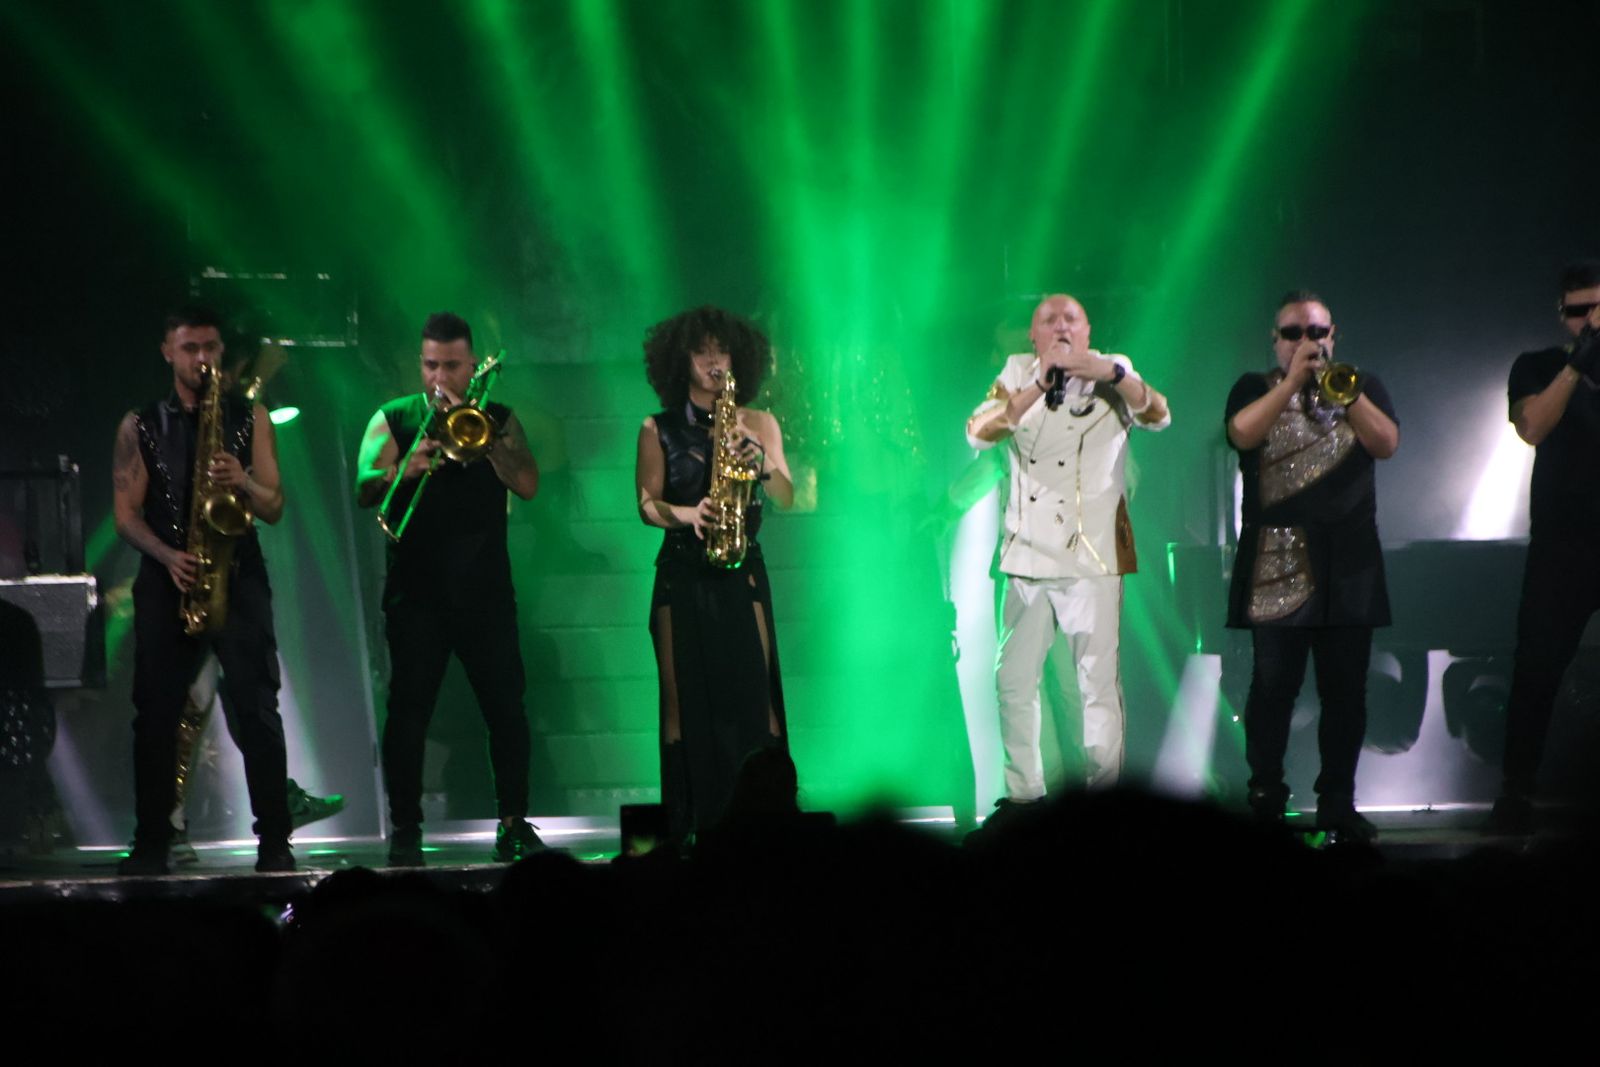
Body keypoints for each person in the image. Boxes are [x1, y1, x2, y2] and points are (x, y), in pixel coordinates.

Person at [964, 294, 1170, 823]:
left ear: (1087, 330)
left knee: (1095, 683)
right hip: (1027, 553)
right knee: (1013, 680)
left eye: (1070, 319)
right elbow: (979, 432)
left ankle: (1105, 802)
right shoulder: (1015, 373)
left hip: (1093, 552)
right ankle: (1024, 796)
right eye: (1048, 321)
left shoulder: (1115, 371)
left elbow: (1158, 413)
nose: (1060, 326)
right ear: (1032, 337)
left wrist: (1114, 372)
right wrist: (1039, 383)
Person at [112, 305, 294, 874]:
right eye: (190, 348)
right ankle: (151, 842)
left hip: (238, 577)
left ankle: (274, 843)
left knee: (258, 708)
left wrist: (243, 480)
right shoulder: (140, 424)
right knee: (156, 715)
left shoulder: (251, 417)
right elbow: (125, 515)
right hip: (171, 579)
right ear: (168, 351)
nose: (202, 359)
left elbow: (275, 506)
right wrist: (169, 556)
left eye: (211, 348)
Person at [355, 312, 541, 865]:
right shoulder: (393, 418)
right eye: (431, 365)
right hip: (417, 595)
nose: (441, 378)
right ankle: (406, 829)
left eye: (452, 366)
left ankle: (512, 823)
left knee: (507, 708)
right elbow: (364, 487)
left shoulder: (498, 418)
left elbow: (528, 483)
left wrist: (491, 444)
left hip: (485, 591)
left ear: (472, 364)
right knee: (409, 711)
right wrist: (403, 471)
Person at [1224, 290, 1400, 842]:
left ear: (1334, 336)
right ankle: (1266, 797)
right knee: (1273, 688)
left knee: (1346, 691)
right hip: (1277, 561)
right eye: (1294, 333)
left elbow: (1387, 443)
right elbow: (1243, 434)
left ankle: (1337, 803)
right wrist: (1291, 384)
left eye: (1318, 333)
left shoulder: (1362, 384)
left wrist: (1343, 394)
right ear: (1275, 341)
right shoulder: (1253, 387)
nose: (1308, 343)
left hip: (1349, 563)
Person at [634, 305, 794, 840]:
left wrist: (761, 462)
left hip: (741, 566)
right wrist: (688, 513)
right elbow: (646, 503)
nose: (712, 361)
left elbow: (788, 498)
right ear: (682, 360)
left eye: (720, 350)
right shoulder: (657, 427)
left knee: (758, 697)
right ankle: (686, 830)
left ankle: (765, 823)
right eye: (701, 351)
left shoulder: (761, 422)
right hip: (682, 571)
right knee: (681, 703)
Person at [1485, 261, 1600, 835]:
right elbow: (1532, 426)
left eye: (1598, 308)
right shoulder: (1537, 366)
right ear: (1563, 316)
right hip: (1563, 546)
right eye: (1579, 311)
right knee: (1536, 671)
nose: (1590, 320)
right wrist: (1581, 360)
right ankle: (1517, 791)